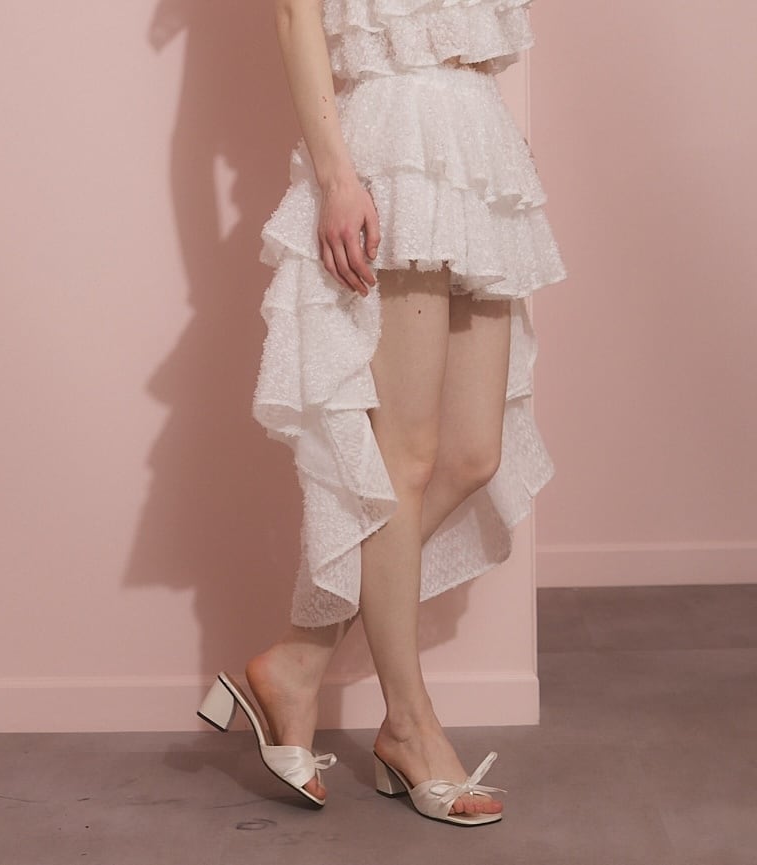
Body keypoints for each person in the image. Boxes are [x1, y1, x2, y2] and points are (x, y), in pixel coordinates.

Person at [197, 0, 567, 826]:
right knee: (404, 457)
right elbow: (293, 15)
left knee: (472, 455)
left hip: (476, 143)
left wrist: (500, 152)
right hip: (395, 140)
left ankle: (299, 660)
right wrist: (336, 178)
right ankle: (408, 726)